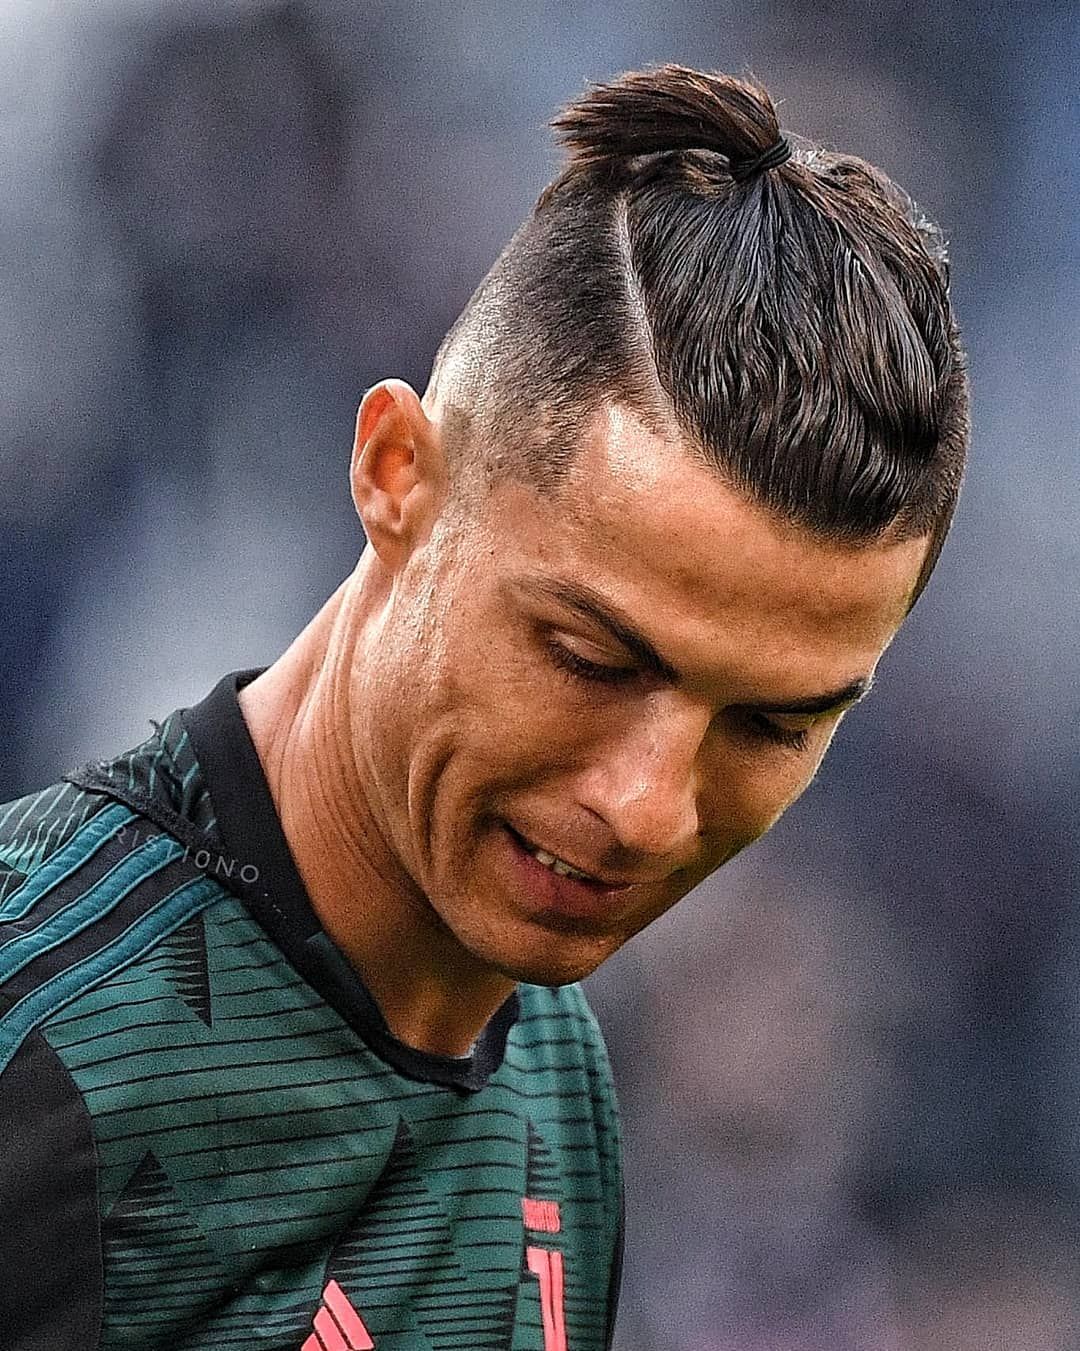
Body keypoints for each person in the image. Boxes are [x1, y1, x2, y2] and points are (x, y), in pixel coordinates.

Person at [0, 64, 968, 1351]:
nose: (643, 808)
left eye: (771, 727)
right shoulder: (42, 1039)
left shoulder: (558, 1076)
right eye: (588, 658)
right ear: (397, 473)